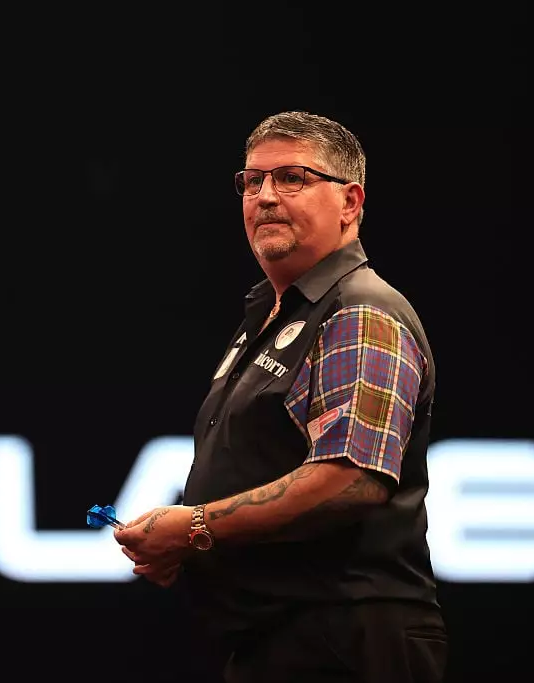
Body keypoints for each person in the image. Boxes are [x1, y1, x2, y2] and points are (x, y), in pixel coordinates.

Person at [114, 111, 446, 682]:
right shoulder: (272, 315)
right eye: (251, 181)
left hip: (348, 641)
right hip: (278, 640)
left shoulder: (361, 311)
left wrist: (195, 526)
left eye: (291, 178)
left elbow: (351, 480)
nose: (264, 197)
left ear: (350, 201)